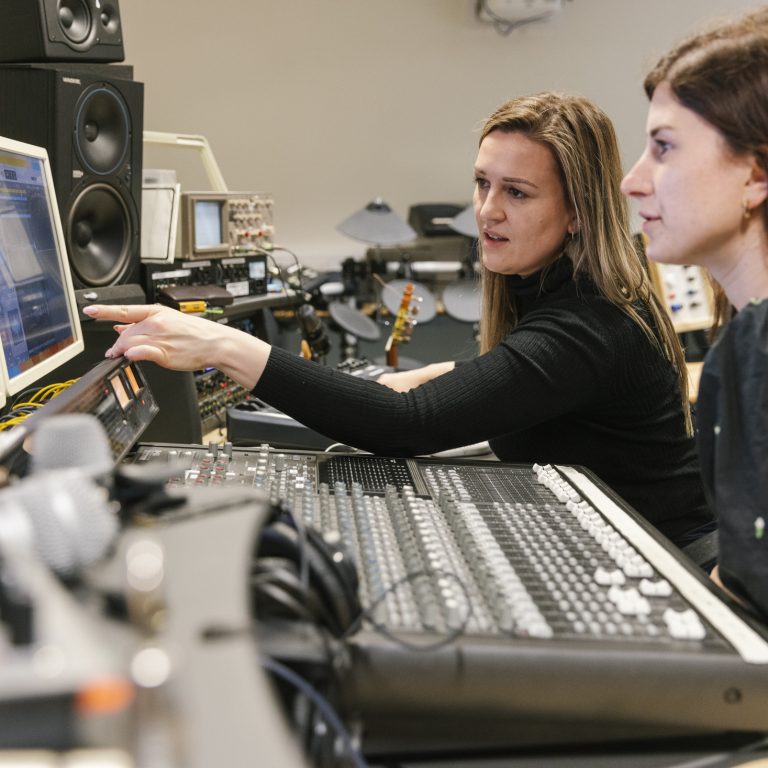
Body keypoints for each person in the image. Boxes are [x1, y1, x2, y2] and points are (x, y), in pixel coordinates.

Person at [83, 92, 713, 548]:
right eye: (481, 183)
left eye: (517, 193)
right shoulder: (559, 292)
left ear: (578, 212)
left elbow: (408, 425)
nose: (486, 211)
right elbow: (533, 378)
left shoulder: (590, 324)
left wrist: (221, 345)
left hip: (666, 559)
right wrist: (449, 371)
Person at [620, 7, 768, 614]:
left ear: (756, 173)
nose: (633, 181)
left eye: (663, 148)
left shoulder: (755, 347)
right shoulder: (745, 335)